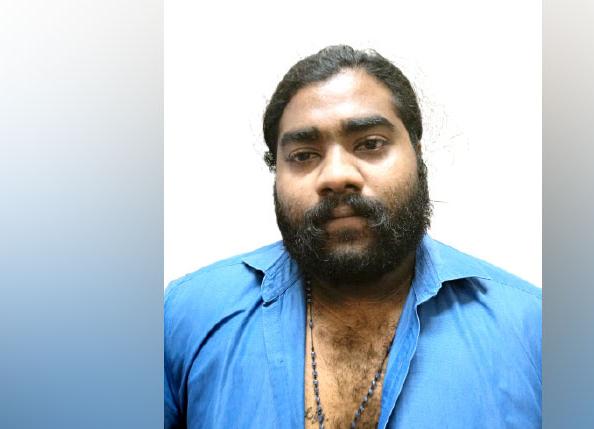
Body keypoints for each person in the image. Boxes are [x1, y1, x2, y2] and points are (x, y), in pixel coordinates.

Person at [164, 45, 541, 429]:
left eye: (370, 144)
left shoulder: (532, 328)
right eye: (304, 155)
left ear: (417, 154)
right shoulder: (185, 315)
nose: (336, 175)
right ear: (276, 172)